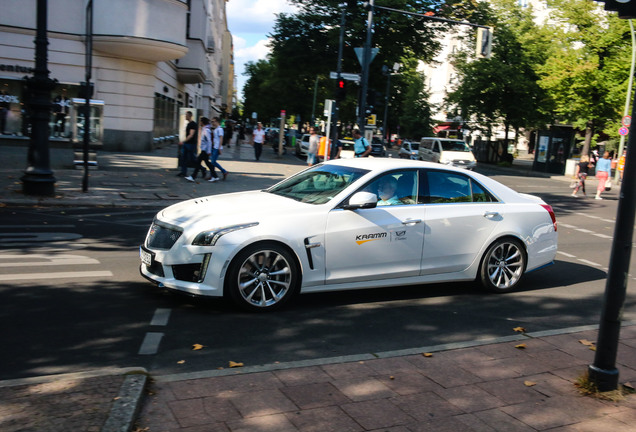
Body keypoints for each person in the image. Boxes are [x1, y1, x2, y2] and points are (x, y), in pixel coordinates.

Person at [185, 117, 219, 183]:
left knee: (198, 162)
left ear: (203, 122)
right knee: (207, 163)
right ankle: (215, 176)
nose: (200, 123)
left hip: (205, 150)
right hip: (204, 149)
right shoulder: (204, 129)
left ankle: (193, 177)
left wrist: (209, 151)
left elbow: (209, 141)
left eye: (200, 121)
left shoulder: (206, 130)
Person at [177, 111, 199, 177]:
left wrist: (183, 141)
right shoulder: (189, 124)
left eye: (186, 115)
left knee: (192, 159)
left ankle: (202, 169)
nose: (185, 116)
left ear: (190, 116)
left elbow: (191, 135)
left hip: (191, 144)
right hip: (187, 144)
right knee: (184, 158)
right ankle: (183, 172)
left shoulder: (193, 124)